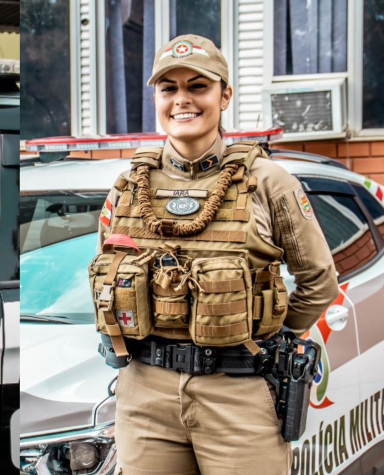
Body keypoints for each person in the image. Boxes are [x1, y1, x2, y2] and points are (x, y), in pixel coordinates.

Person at [92, 35, 339, 475]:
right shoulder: (129, 185)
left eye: (198, 86)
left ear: (224, 95)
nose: (182, 100)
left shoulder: (268, 182)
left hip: (238, 392)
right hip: (144, 393)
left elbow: (319, 281)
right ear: (155, 98)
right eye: (169, 89)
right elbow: (104, 271)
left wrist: (268, 343)